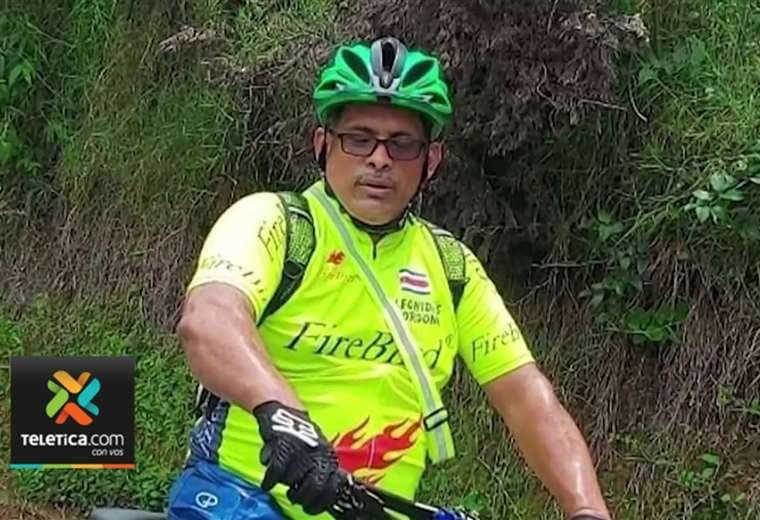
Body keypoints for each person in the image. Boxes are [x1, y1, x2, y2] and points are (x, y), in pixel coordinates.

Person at [167, 36, 611, 520]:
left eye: (402, 144)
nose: (379, 159)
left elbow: (527, 398)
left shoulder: (451, 266)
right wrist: (286, 418)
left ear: (431, 161)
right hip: (242, 498)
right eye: (359, 138)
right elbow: (209, 320)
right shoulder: (274, 222)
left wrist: (585, 508)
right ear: (322, 145)